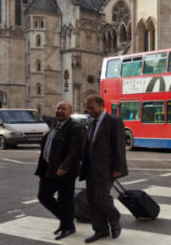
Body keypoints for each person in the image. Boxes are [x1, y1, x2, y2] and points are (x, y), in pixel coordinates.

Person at [80, 95, 128, 243]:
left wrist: (118, 168)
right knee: (92, 200)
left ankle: (115, 218)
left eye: (91, 107)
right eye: (87, 108)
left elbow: (119, 147)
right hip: (90, 169)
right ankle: (100, 229)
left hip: (107, 168)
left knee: (102, 197)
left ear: (101, 105)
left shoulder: (114, 122)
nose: (89, 111)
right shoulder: (91, 123)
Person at [35, 101, 85, 240]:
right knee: (43, 196)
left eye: (64, 109)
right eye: (58, 108)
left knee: (65, 200)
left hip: (65, 171)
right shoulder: (55, 125)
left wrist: (64, 167)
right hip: (48, 169)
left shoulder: (75, 127)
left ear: (70, 112)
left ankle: (67, 226)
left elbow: (75, 150)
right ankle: (66, 221)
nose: (60, 111)